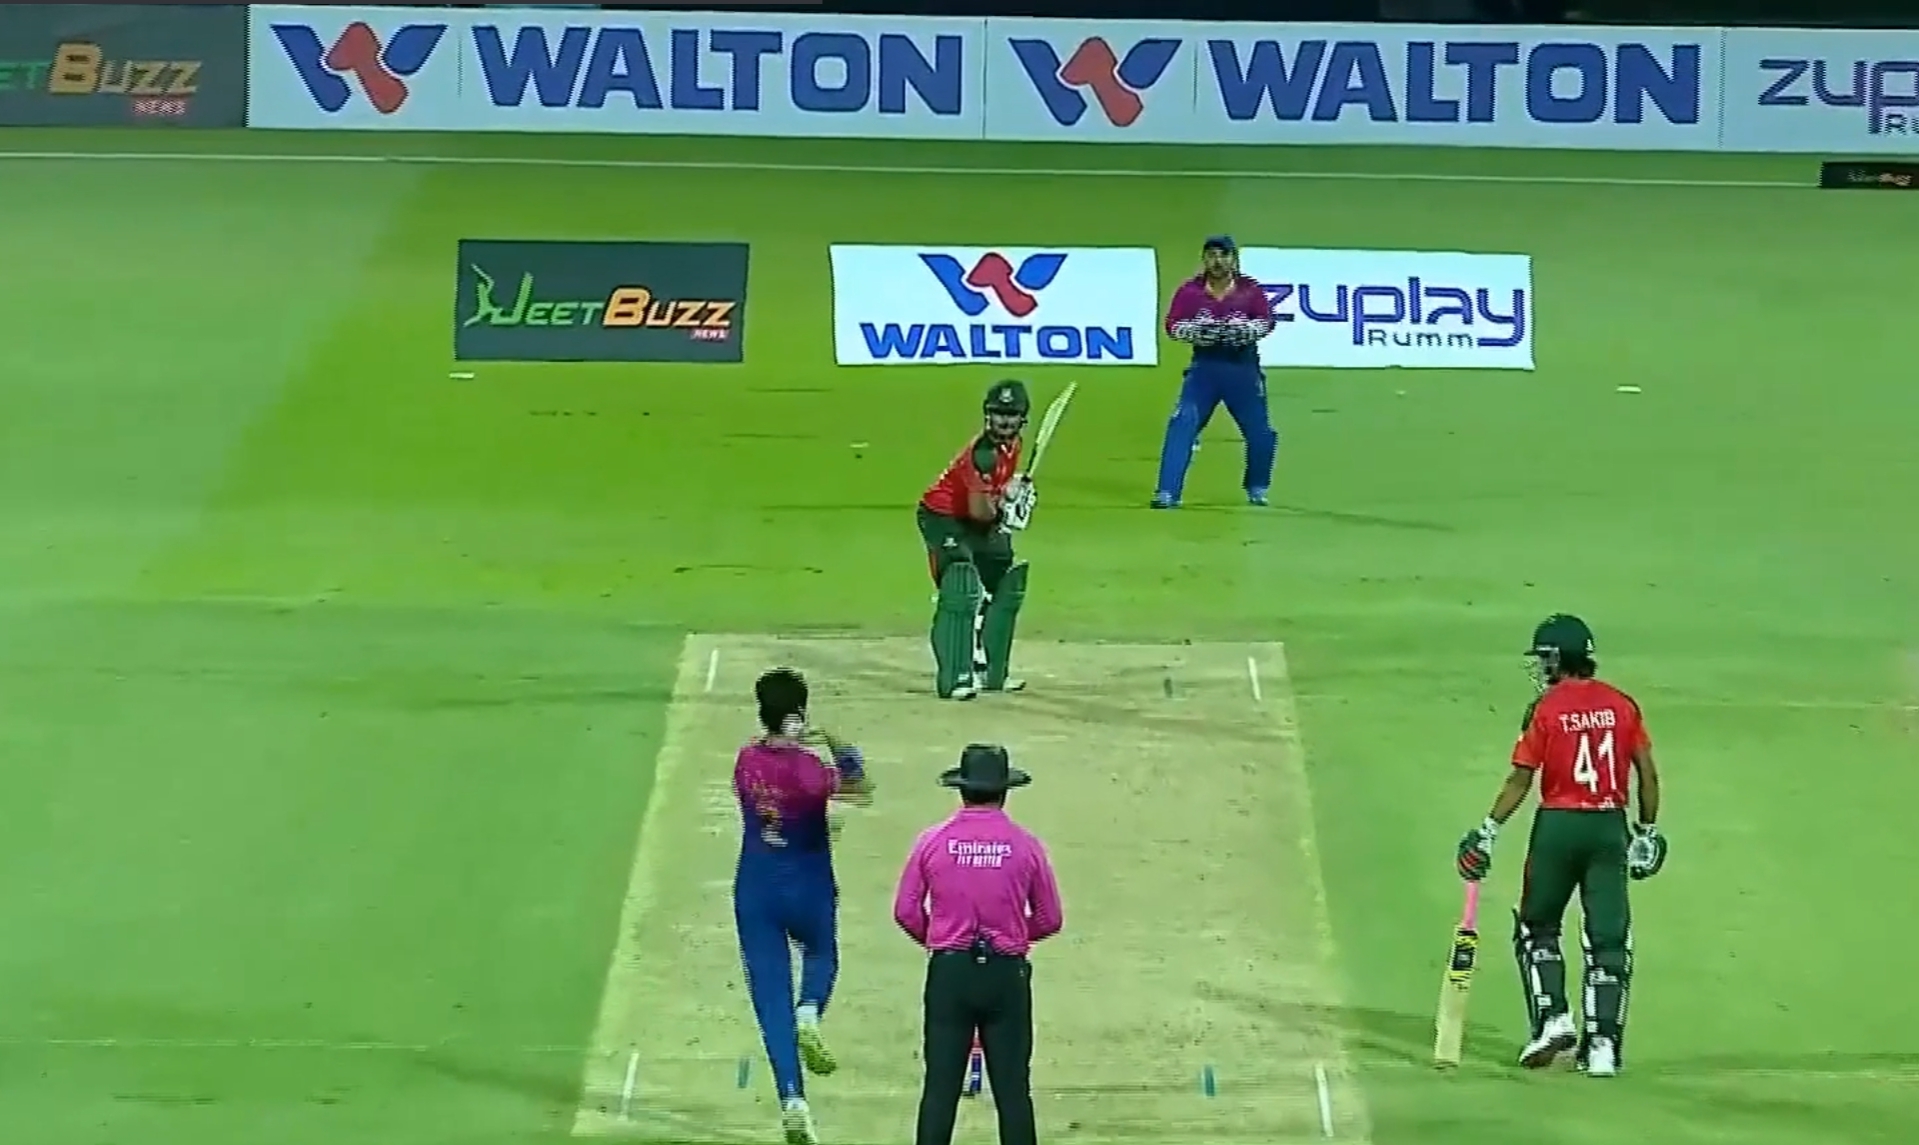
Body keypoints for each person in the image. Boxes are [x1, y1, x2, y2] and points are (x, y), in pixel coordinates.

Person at [1454, 614, 1668, 1079]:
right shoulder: (1621, 704)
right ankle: (1603, 1046)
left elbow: (1521, 779)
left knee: (1537, 927)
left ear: (1557, 658)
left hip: (1558, 826)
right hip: (1609, 827)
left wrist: (1488, 830)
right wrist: (1647, 832)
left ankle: (1554, 1019)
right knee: (1608, 939)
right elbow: (1648, 775)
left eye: (1543, 658)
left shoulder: (1546, 709)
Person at [894, 744, 1063, 1145]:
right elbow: (1050, 918)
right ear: (1005, 792)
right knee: (1013, 1093)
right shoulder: (1025, 845)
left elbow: (906, 910)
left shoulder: (933, 841)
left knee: (940, 1090)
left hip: (950, 972)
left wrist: (939, 939)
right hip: (1005, 974)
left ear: (962, 790)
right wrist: (1013, 935)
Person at [732, 667, 874, 1145]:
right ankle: (810, 1009)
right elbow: (860, 787)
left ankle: (793, 1099)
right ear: (799, 713)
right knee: (821, 954)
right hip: (808, 882)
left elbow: (762, 808)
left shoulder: (745, 760)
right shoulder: (811, 770)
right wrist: (832, 737)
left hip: (756, 886)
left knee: (769, 997)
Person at [917, 380, 1036, 701]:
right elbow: (980, 512)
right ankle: (955, 676)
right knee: (961, 585)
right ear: (987, 415)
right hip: (942, 517)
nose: (1005, 421)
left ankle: (990, 671)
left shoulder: (1013, 445)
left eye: (1011, 414)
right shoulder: (983, 454)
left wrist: (1009, 491)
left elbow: (992, 494)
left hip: (972, 516)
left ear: (1022, 418)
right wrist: (1005, 513)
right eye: (998, 413)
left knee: (1001, 579)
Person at [1152, 235, 1278, 509]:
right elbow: (1172, 324)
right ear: (1204, 259)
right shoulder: (1190, 292)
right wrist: (1196, 332)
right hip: (1204, 371)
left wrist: (1244, 331)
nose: (1217, 261)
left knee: (1261, 433)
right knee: (1181, 424)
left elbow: (1267, 321)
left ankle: (1257, 486)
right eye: (1211, 255)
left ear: (1233, 259)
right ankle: (1167, 492)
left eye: (1223, 255)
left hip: (1243, 371)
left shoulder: (1249, 290)